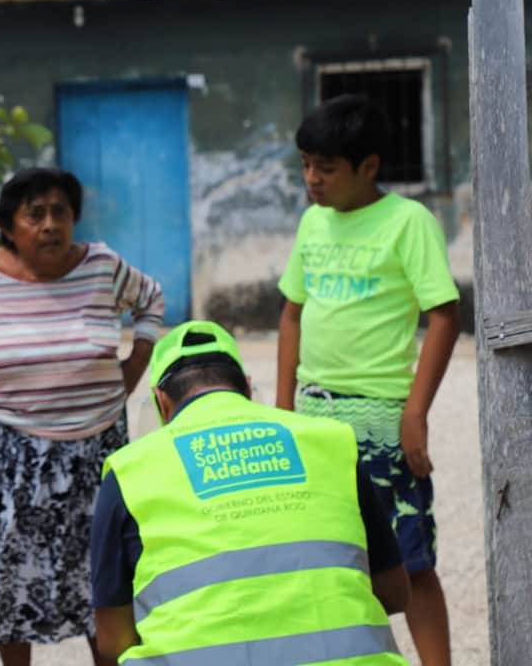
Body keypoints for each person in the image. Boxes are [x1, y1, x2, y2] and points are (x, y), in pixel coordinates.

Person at [0, 167, 164, 666]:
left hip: (97, 453)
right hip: (8, 459)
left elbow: (150, 301)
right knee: (9, 583)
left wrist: (135, 363)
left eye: (60, 212)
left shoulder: (102, 266)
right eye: (34, 214)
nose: (50, 225)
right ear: (7, 226)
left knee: (105, 578)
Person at [91, 319, 411, 664]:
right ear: (246, 386)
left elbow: (112, 640)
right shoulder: (331, 441)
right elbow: (395, 593)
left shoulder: (130, 471)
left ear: (161, 401)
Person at [276, 95, 460, 666]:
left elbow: (444, 314)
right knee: (326, 556)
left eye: (326, 168)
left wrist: (415, 413)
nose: (312, 179)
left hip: (381, 417)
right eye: (306, 165)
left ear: (369, 166)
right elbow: (291, 314)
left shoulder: (408, 222)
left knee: (411, 560)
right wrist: (282, 410)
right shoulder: (312, 222)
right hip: (314, 415)